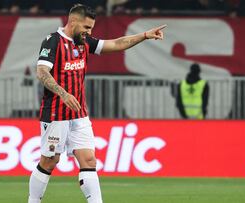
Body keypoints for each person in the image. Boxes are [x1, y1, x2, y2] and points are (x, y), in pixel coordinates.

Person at [30, 4, 166, 203]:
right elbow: (42, 72)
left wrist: (144, 35)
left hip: (79, 114)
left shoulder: (83, 42)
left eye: (91, 28)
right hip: (55, 114)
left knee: (89, 160)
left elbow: (116, 44)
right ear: (73, 22)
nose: (89, 32)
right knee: (50, 161)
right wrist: (64, 94)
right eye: (86, 27)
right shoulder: (53, 41)